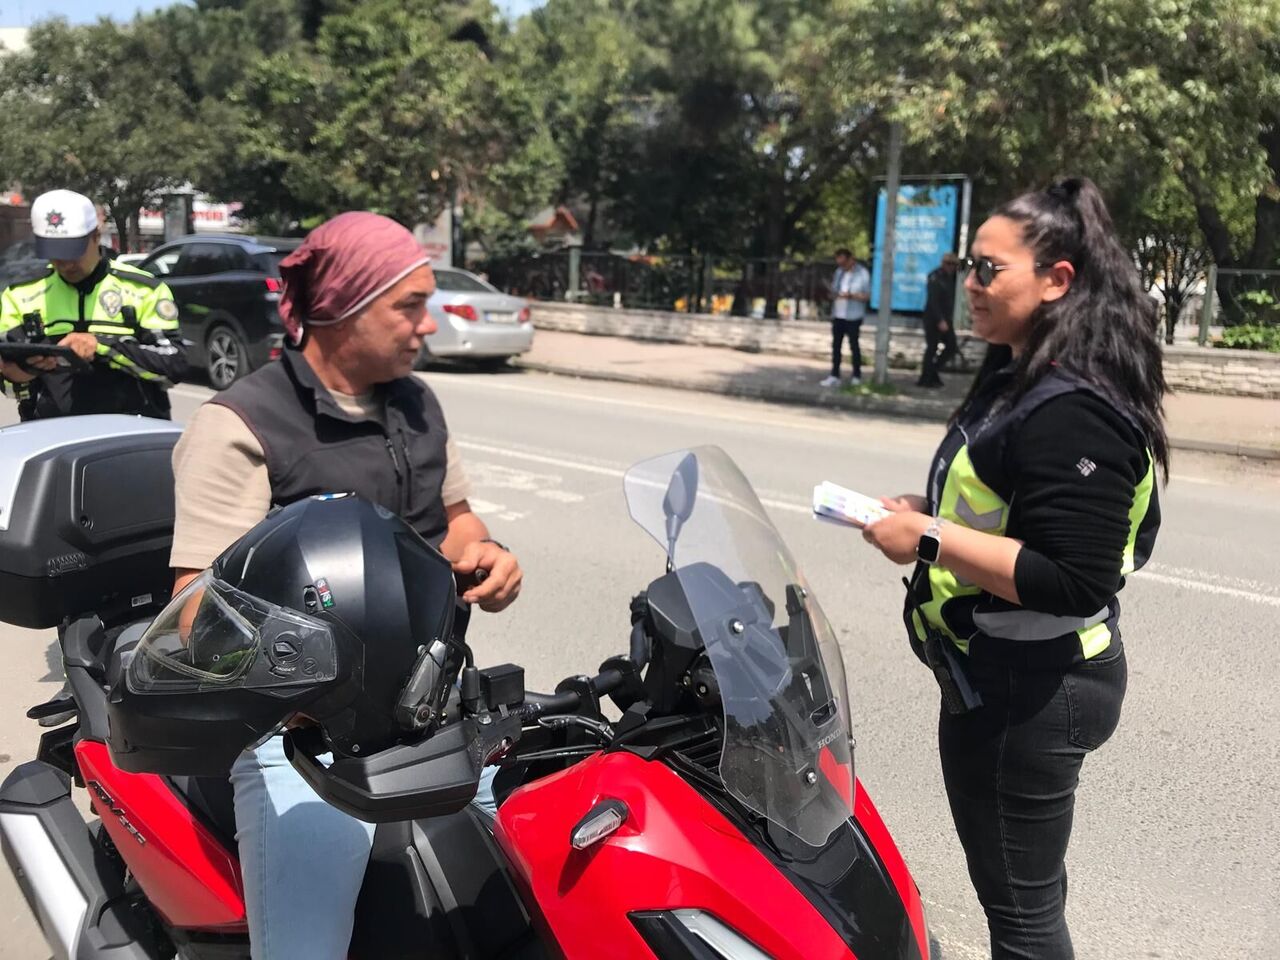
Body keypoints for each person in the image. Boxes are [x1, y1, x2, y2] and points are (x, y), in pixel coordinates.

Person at [168, 211, 523, 960]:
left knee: (531, 888)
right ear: (342, 309)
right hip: (298, 736)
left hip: (433, 708)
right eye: (409, 306)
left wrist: (486, 554)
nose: (428, 325)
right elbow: (199, 609)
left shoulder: (416, 403)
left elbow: (454, 520)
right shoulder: (242, 424)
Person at [860, 178, 1165, 960]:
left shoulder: (1074, 404)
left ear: (1057, 280)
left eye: (988, 269)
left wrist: (928, 536)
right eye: (970, 265)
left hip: (1032, 688)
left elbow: (1075, 577)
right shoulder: (1023, 371)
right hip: (1009, 673)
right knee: (1028, 896)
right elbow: (1015, 503)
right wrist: (928, 511)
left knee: (1023, 920)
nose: (969, 283)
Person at [0, 189, 185, 421]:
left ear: (96, 235)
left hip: (131, 431)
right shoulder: (20, 295)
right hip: (51, 434)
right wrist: (19, 373)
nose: (65, 264)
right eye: (55, 254)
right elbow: (11, 390)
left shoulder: (143, 290)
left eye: (72, 253)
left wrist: (103, 346)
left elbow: (174, 366)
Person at [820, 247, 870, 387]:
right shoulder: (839, 272)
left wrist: (850, 295)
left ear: (850, 260)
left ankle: (856, 375)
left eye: (843, 263)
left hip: (853, 315)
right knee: (836, 346)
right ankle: (834, 374)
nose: (842, 266)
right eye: (839, 263)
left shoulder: (862, 273)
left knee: (854, 346)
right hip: (838, 314)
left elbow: (866, 296)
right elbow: (835, 289)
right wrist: (833, 294)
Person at [918, 251, 960, 388]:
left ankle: (932, 372)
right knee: (932, 347)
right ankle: (926, 378)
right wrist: (940, 320)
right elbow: (933, 301)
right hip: (933, 318)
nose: (951, 267)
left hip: (945, 318)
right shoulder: (935, 277)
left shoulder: (951, 278)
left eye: (954, 265)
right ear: (943, 264)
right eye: (949, 264)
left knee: (951, 346)